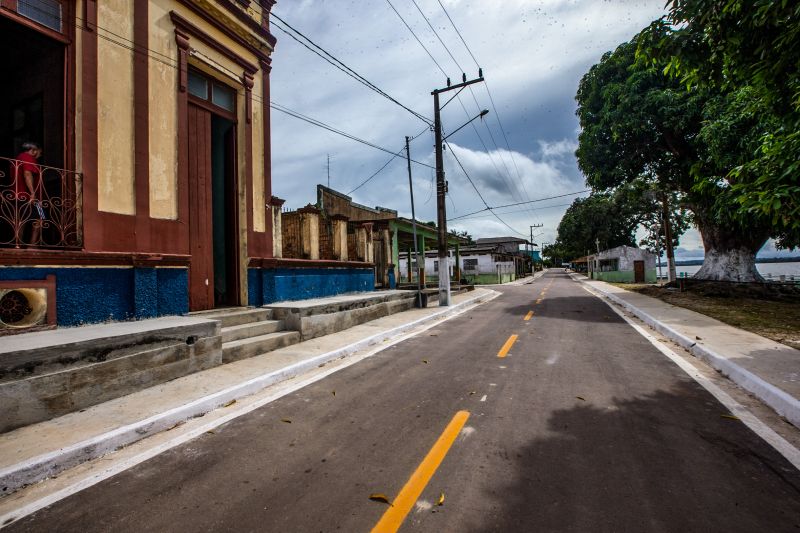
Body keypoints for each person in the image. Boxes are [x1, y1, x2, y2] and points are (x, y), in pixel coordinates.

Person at [13, 142, 44, 246]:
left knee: (21, 220)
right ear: (34, 150)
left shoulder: (19, 158)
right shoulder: (27, 157)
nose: (40, 155)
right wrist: (33, 193)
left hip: (20, 195)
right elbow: (27, 173)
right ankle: (32, 247)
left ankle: (17, 245)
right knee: (40, 219)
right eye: (40, 152)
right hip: (29, 196)